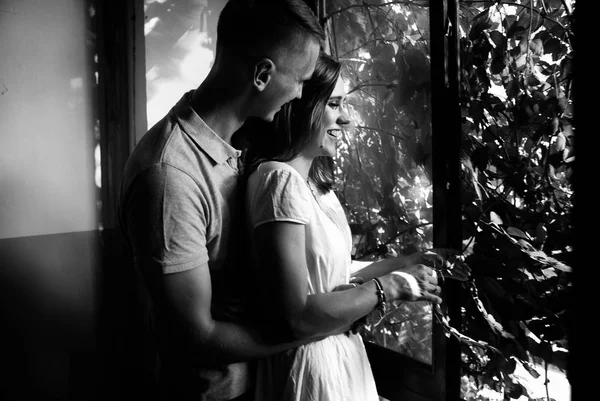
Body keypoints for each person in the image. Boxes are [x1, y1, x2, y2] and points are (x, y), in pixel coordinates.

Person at [117, 1, 328, 400]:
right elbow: (199, 338)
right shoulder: (169, 177)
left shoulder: (243, 146)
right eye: (300, 80)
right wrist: (310, 327)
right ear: (263, 75)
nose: (301, 95)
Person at [242, 51, 469, 401]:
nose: (346, 118)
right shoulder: (278, 180)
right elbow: (294, 317)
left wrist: (411, 262)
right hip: (310, 371)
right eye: (334, 104)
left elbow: (334, 273)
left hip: (342, 360)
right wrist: (388, 287)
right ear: (301, 107)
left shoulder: (314, 186)